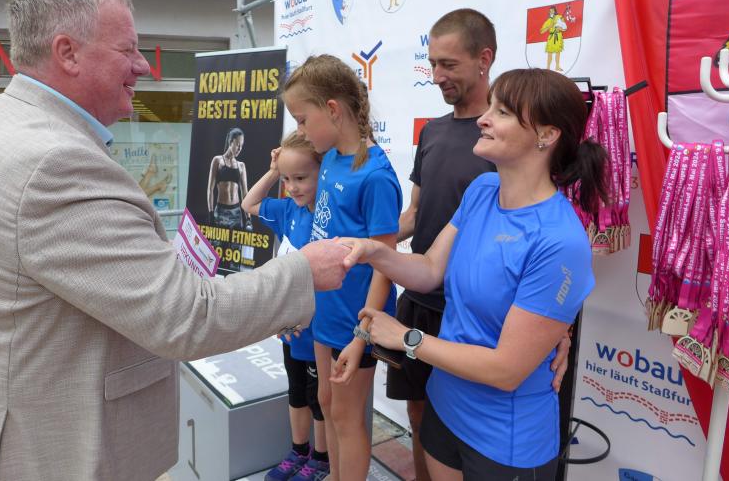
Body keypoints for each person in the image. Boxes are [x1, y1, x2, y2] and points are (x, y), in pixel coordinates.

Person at [0, 0, 349, 481]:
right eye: (128, 49)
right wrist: (303, 272)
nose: (143, 66)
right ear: (67, 53)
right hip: (52, 454)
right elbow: (186, 316)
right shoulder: (53, 164)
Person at [343, 68, 608, 480]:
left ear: (546, 135)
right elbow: (430, 269)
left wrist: (407, 338)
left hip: (505, 441)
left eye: (502, 112)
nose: (483, 119)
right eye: (491, 108)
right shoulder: (483, 189)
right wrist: (375, 251)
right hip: (444, 408)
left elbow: (506, 370)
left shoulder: (559, 241)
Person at [392, 8, 570, 481]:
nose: (437, 75)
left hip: (485, 336)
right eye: (432, 63)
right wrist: (369, 248)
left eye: (448, 64)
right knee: (421, 419)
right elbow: (418, 220)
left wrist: (555, 326)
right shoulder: (439, 137)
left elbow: (551, 254)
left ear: (483, 59)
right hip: (428, 309)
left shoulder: (519, 152)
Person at [282, 54, 402, 481]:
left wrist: (362, 335)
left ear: (332, 109)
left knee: (348, 419)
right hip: (324, 311)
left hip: (355, 321)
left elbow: (386, 265)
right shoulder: (330, 157)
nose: (300, 131)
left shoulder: (376, 176)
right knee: (327, 402)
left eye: (302, 120)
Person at [241, 132, 330, 481]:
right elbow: (249, 203)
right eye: (287, 179)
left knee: (318, 398)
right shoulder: (288, 210)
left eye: (301, 178)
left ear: (322, 172)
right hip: (291, 327)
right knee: (296, 391)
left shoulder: (328, 217)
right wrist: (274, 170)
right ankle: (299, 450)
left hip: (319, 329)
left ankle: (321, 458)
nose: (292, 187)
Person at [207, 126, 250, 230]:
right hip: (221, 211)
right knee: (218, 240)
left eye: (241, 146)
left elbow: (245, 193)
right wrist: (211, 213)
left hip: (236, 213)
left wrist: (248, 218)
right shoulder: (217, 161)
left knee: (236, 241)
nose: (240, 148)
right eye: (238, 145)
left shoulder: (241, 165)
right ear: (231, 142)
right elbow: (210, 189)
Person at [540, 5, 567, 71]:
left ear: (555, 11)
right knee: (550, 53)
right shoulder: (548, 20)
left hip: (558, 36)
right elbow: (542, 31)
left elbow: (565, 28)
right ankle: (548, 68)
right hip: (551, 37)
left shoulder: (559, 17)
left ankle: (557, 66)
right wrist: (549, 27)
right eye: (550, 11)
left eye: (552, 11)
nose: (551, 12)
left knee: (558, 52)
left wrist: (560, 28)